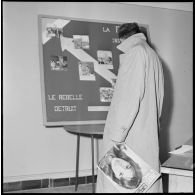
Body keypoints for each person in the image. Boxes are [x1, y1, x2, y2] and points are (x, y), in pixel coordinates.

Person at [96, 22, 164, 193]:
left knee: (120, 183)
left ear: (123, 38)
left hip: (129, 136)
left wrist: (116, 136)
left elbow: (127, 99)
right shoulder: (152, 54)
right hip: (145, 131)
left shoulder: (135, 53)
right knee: (144, 183)